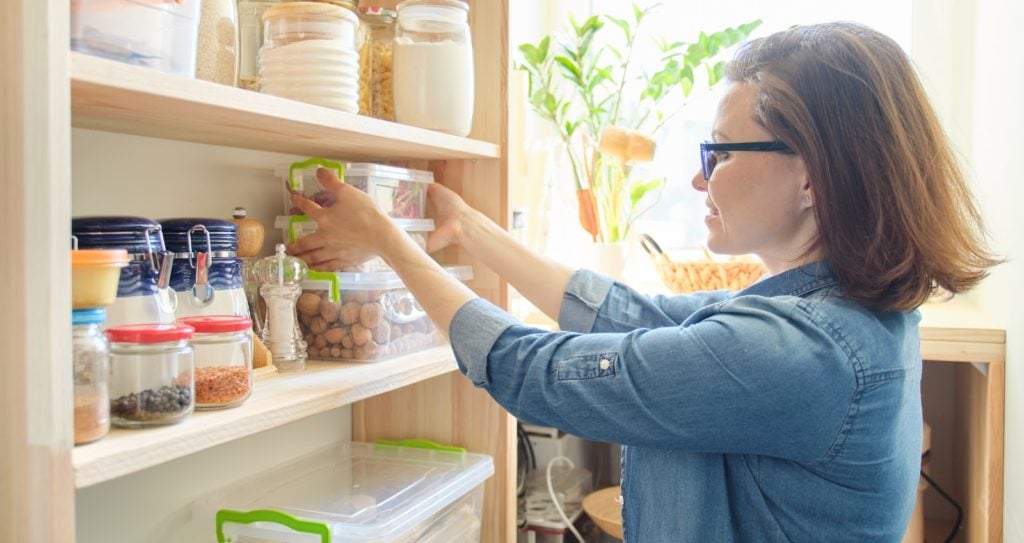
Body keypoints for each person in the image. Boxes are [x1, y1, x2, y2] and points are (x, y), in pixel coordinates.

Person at [287, 21, 999, 542]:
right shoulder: (827, 312)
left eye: (717, 152)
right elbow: (636, 314)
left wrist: (387, 240)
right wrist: (471, 231)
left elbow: (537, 370)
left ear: (812, 173)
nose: (698, 176)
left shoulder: (797, 352)